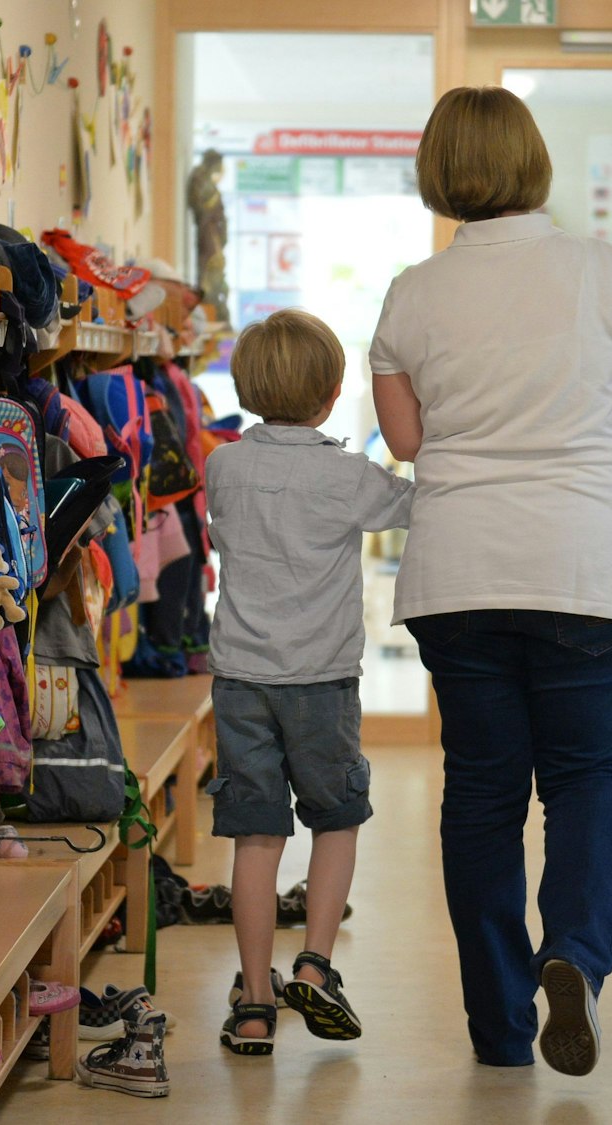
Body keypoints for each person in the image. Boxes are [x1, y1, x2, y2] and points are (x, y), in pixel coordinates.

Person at [370, 85, 612, 1076]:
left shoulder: (411, 293)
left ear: (438, 170)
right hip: (582, 565)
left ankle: (501, 1026)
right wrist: (584, 463)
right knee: (587, 778)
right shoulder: (606, 273)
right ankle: (575, 959)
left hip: (458, 573)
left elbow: (409, 440)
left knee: (481, 793)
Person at [203, 307, 414, 1057]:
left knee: (255, 837)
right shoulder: (347, 474)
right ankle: (316, 966)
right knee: (335, 817)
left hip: (240, 681)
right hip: (322, 682)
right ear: (332, 393)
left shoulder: (222, 466)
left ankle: (254, 1003)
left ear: (247, 385)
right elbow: (415, 506)